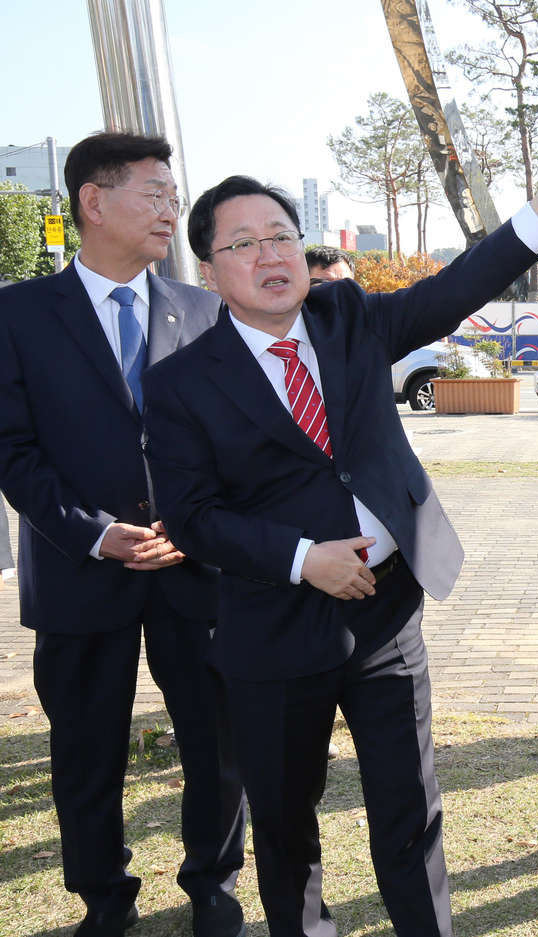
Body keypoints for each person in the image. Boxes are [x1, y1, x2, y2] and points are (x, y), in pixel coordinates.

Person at [141, 136, 538, 937]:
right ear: (208, 269)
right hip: (275, 627)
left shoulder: (346, 315)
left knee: (409, 808)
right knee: (286, 820)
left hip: (388, 613)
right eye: (242, 243)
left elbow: (453, 288)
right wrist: (300, 558)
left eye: (281, 234)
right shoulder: (181, 380)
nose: (269, 254)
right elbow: (192, 515)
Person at [0, 132, 246, 937]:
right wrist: (94, 533)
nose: (171, 210)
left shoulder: (205, 308)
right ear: (93, 202)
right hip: (80, 571)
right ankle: (104, 895)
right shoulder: (18, 313)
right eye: (154, 194)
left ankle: (212, 882)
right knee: (85, 748)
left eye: (174, 196)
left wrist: (197, 520)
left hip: (193, 565)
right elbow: (13, 450)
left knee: (216, 741)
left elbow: (232, 437)